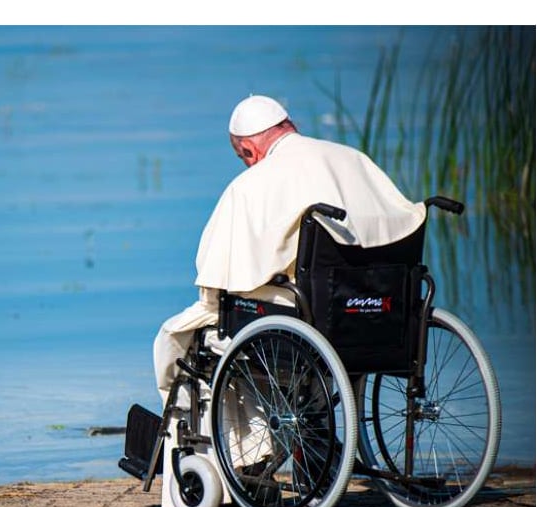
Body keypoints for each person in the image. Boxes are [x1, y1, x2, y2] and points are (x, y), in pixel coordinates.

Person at [153, 95, 427, 407]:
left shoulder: (252, 183)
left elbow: (216, 285)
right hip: (384, 312)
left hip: (310, 320)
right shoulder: (355, 160)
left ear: (249, 150)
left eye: (244, 158)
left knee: (179, 337)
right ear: (289, 126)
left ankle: (230, 450)